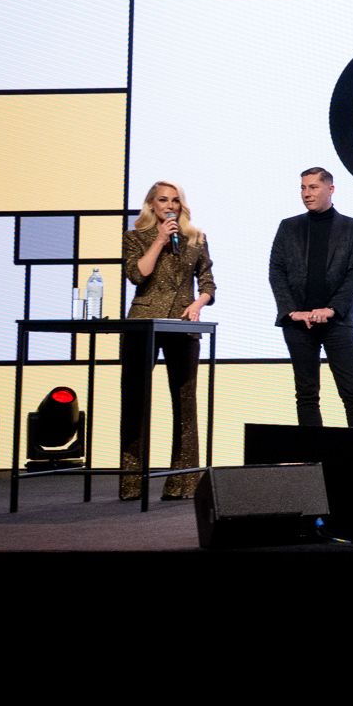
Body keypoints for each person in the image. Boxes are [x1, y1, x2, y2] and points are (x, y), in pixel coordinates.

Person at [120, 181, 214, 501]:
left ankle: (182, 483)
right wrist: (160, 240)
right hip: (143, 323)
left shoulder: (195, 238)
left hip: (182, 324)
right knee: (134, 401)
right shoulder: (135, 238)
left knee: (185, 404)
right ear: (151, 204)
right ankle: (131, 482)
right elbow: (137, 275)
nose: (170, 205)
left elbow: (208, 283)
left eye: (175, 200)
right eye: (163, 200)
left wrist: (198, 303)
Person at [268, 167, 353, 431]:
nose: (306, 193)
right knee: (306, 394)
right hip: (299, 324)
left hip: (338, 322)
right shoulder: (289, 227)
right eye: (303, 188)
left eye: (313, 187)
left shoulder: (352, 227)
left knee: (352, 392)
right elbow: (276, 271)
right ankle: (313, 455)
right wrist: (291, 311)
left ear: (330, 189)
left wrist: (332, 309)